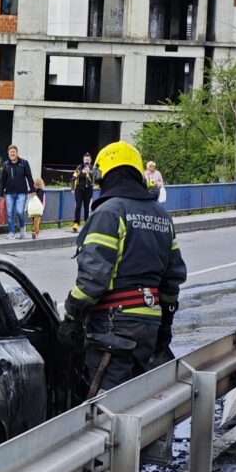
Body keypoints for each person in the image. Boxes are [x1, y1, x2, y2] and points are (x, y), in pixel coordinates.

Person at [58, 141, 187, 393]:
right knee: (138, 399)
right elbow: (173, 279)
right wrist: (166, 322)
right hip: (149, 324)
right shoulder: (161, 216)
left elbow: (92, 280)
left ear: (103, 174)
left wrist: (72, 317)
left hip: (113, 327)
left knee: (109, 404)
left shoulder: (109, 212)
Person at [0, 144, 34, 240]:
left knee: (19, 211)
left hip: (22, 192)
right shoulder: (6, 165)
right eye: (11, 152)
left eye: (14, 152)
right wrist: (1, 193)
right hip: (9, 193)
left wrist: (32, 190)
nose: (12, 153)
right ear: (8, 154)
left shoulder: (24, 163)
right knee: (9, 213)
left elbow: (29, 177)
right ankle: (11, 232)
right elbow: (3, 180)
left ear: (17, 153)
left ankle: (22, 228)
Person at [71, 152, 96, 233]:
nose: (87, 161)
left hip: (88, 190)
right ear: (83, 160)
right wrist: (72, 188)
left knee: (86, 207)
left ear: (91, 160)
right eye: (85, 160)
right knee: (78, 206)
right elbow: (74, 178)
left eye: (88, 160)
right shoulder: (79, 167)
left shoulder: (93, 168)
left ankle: (86, 223)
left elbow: (96, 179)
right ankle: (76, 223)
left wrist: (91, 172)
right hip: (79, 189)